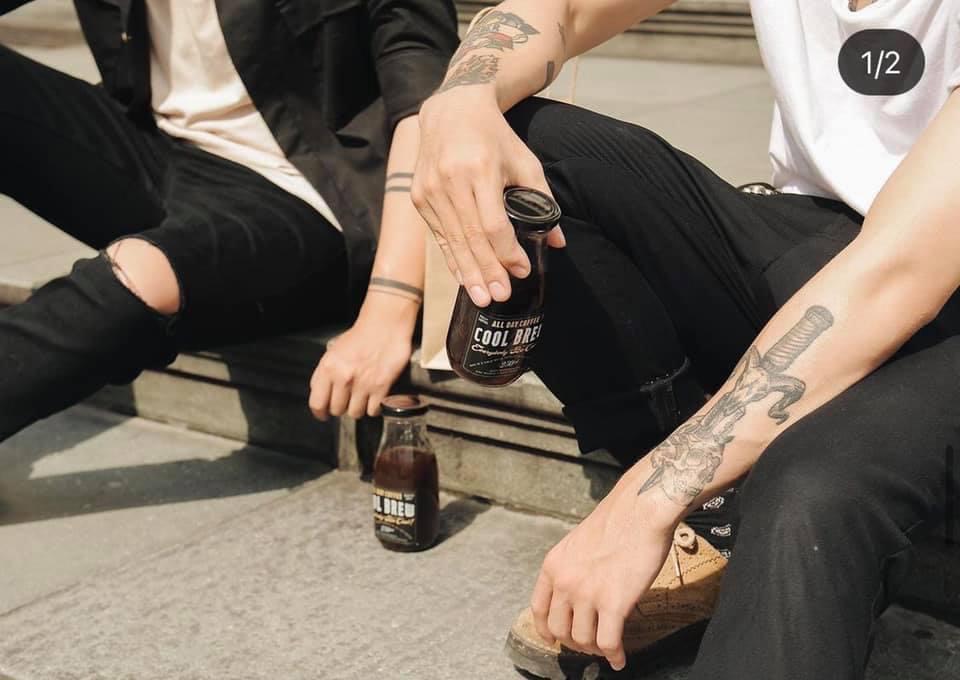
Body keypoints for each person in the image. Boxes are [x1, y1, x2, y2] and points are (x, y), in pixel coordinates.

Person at [413, 1, 960, 678]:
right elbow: (564, 8)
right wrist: (459, 102)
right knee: (530, 147)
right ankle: (716, 520)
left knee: (807, 490)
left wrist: (647, 497)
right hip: (820, 239)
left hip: (931, 279)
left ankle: (721, 502)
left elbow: (903, 270)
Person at [0, 0, 458, 442]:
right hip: (159, 143)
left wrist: (388, 310)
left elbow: (427, 100)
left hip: (309, 189)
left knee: (137, 274)